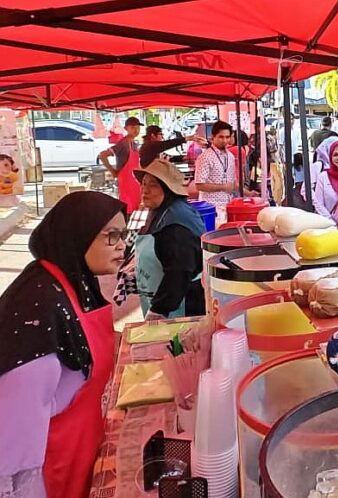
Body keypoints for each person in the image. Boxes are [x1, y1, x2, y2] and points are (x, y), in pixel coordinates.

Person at [0, 191, 127, 498]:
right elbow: (12, 457)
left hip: (80, 454)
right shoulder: (37, 312)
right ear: (78, 234)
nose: (122, 245)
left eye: (124, 234)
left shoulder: (73, 281)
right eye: (111, 236)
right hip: (47, 475)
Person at [134, 160, 205, 319]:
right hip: (162, 297)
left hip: (182, 304)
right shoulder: (161, 211)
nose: (145, 190)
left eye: (153, 185)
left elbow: (179, 271)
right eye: (143, 184)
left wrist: (159, 310)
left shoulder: (176, 224)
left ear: (168, 189)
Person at [99, 116, 143, 213]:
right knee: (127, 208)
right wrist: (113, 171)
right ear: (126, 128)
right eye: (133, 127)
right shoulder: (123, 144)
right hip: (126, 182)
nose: (136, 130)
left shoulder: (134, 143)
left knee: (135, 209)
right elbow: (102, 155)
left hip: (135, 182)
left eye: (138, 127)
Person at [194, 120, 236, 212]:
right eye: (221, 137)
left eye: (227, 137)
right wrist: (223, 187)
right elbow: (199, 185)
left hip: (228, 205)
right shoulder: (205, 157)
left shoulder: (230, 156)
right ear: (213, 137)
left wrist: (249, 193)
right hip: (210, 207)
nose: (224, 140)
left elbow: (233, 184)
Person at [313, 138, 338, 226]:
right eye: (335, 155)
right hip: (329, 227)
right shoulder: (323, 176)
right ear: (330, 157)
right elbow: (318, 203)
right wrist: (331, 222)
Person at [140, 125, 205, 168]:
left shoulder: (152, 146)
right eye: (160, 134)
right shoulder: (149, 146)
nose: (162, 136)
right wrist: (187, 138)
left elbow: (168, 158)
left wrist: (183, 157)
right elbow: (168, 144)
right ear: (153, 135)